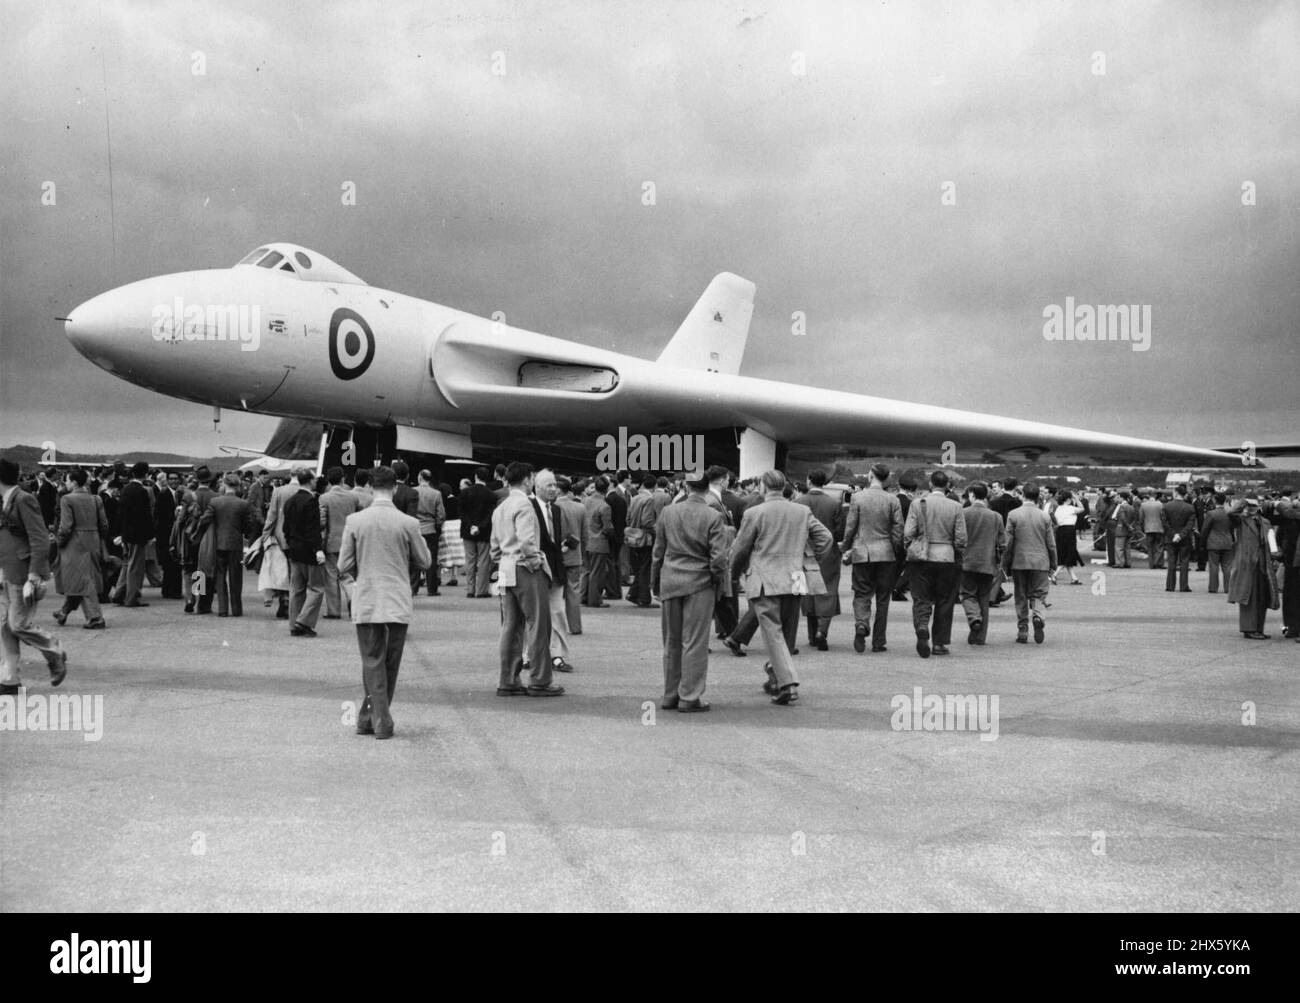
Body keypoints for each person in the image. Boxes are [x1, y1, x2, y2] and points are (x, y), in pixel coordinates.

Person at [338, 465, 432, 739]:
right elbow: (424, 561)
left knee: (371, 660)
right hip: (397, 599)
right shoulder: (408, 523)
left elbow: (344, 564)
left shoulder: (355, 521)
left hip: (366, 597)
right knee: (391, 661)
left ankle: (371, 718)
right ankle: (380, 719)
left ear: (369, 487)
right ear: (394, 488)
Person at [729, 470, 835, 705]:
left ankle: (787, 683)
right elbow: (826, 538)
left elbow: (740, 550)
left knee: (773, 633)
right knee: (787, 632)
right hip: (796, 575)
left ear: (764, 488)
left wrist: (734, 576)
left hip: (765, 577)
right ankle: (776, 675)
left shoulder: (754, 513)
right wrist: (810, 558)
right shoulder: (801, 511)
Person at [652, 469, 727, 711]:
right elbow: (718, 559)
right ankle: (689, 696)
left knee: (671, 641)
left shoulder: (668, 512)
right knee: (694, 642)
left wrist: (656, 582)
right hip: (700, 583)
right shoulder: (713, 516)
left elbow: (658, 552)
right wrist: (718, 582)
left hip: (671, 580)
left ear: (686, 488)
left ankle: (670, 694)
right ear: (706, 489)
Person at [491, 462, 563, 697]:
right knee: (538, 624)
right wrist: (535, 562)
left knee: (510, 626)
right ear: (526, 480)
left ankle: (508, 679)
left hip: (505, 568)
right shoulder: (524, 504)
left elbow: (494, 547)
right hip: (524, 567)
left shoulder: (501, 506)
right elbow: (527, 541)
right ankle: (540, 680)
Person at [0, 457, 67, 694]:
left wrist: (33, 576)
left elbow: (39, 538)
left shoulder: (23, 499)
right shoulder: (5, 500)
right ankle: (9, 679)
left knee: (17, 625)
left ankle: (54, 649)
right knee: (5, 627)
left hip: (22, 573)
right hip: (5, 573)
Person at [902, 470, 967, 658]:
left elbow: (908, 533)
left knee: (921, 597)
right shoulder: (956, 506)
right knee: (945, 601)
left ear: (930, 484)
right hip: (947, 557)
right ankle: (939, 643)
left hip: (922, 558)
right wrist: (957, 554)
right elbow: (961, 537)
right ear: (947, 486)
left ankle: (922, 625)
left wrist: (911, 548)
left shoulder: (917, 504)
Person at [841, 462, 903, 654]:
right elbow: (898, 529)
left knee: (861, 593)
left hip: (862, 552)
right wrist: (894, 549)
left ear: (870, 476)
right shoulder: (893, 500)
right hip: (886, 553)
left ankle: (861, 623)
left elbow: (850, 526)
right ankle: (879, 641)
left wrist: (846, 546)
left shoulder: (858, 498)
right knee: (883, 598)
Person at [531, 470, 576, 675]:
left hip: (556, 569)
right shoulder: (528, 507)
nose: (553, 489)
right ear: (537, 487)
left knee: (557, 612)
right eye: (548, 485)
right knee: (532, 614)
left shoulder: (556, 510)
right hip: (535, 569)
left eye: (554, 485)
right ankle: (528, 655)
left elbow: (557, 541)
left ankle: (557, 655)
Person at [52, 467, 109, 629]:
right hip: (93, 540)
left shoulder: (67, 499)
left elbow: (65, 527)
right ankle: (64, 611)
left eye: (68, 480)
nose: (66, 483)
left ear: (75, 482)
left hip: (74, 543)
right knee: (83, 578)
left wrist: (59, 542)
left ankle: (95, 617)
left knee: (80, 579)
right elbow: (104, 524)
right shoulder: (96, 499)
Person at [795, 469, 844, 651]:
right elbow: (839, 532)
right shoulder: (834, 503)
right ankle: (822, 632)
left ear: (808, 481)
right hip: (829, 553)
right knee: (828, 591)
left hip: (804, 552)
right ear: (825, 482)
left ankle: (812, 635)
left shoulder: (798, 502)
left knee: (807, 593)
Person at [1003, 483, 1057, 644]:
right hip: (1041, 561)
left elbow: (1008, 543)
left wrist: (1005, 563)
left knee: (1020, 596)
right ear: (1037, 497)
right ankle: (1038, 617)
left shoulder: (1013, 515)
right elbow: (1051, 544)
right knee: (1039, 594)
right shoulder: (1045, 516)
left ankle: (1023, 631)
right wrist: (1053, 563)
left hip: (1019, 561)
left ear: (1023, 495)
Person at [198, 473, 257, 617]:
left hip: (218, 543)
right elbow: (248, 526)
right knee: (236, 577)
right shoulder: (243, 504)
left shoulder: (215, 502)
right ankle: (236, 609)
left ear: (224, 484)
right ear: (238, 486)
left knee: (219, 577)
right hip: (235, 543)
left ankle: (222, 608)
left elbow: (204, 520)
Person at [959, 482, 1005, 645]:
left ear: (971, 495)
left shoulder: (962, 513)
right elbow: (1003, 543)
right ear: (985, 496)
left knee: (967, 594)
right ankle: (979, 637)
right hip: (987, 563)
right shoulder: (996, 517)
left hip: (967, 562)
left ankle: (973, 617)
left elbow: (958, 538)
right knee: (984, 599)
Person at [282, 469, 326, 636]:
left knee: (296, 589)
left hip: (294, 549)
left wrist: (291, 542)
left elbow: (285, 528)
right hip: (309, 551)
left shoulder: (290, 500)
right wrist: (318, 549)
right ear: (310, 481)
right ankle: (304, 621)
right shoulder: (311, 501)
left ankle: (294, 624)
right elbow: (312, 529)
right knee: (317, 588)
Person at [1227, 498, 1278, 639]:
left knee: (1262, 598)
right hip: (1247, 564)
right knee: (1247, 597)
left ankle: (1258, 628)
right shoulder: (1242, 520)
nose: (1252, 508)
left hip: (1263, 564)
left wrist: (1275, 557)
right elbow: (1231, 513)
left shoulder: (1266, 522)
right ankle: (1248, 629)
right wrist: (1243, 502)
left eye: (1254, 505)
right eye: (1249, 506)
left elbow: (1272, 542)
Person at [111, 461, 154, 607]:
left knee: (126, 564)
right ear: (146, 474)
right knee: (136, 567)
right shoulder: (142, 491)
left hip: (126, 534)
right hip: (138, 534)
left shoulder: (126, 489)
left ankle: (119, 593)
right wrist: (150, 535)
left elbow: (120, 513)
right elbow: (146, 516)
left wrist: (120, 533)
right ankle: (131, 597)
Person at [319, 466, 360, 619]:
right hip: (350, 542)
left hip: (331, 543)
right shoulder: (353, 498)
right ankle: (352, 600)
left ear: (329, 481)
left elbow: (322, 523)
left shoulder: (324, 498)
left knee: (331, 577)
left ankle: (333, 611)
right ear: (343, 479)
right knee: (348, 575)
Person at [458, 467, 497, 599]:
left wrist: (471, 526)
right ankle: (481, 590)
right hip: (484, 532)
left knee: (470, 561)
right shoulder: (492, 495)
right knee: (484, 561)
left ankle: (470, 589)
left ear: (475, 476)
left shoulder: (465, 493)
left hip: (467, 531)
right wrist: (480, 526)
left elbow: (462, 513)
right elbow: (490, 515)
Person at [554, 477, 587, 632]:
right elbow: (585, 534)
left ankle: (556, 626)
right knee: (573, 591)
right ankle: (575, 626)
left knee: (554, 592)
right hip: (575, 556)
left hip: (556, 556)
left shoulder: (553, 507)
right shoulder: (580, 507)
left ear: (559, 490)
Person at [581, 476, 614, 607]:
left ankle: (583, 596)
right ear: (606, 489)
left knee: (586, 571)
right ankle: (594, 600)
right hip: (599, 542)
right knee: (597, 572)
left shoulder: (585, 501)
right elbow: (607, 527)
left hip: (585, 540)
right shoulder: (605, 506)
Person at [415, 469, 446, 595]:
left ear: (420, 477)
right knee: (432, 559)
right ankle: (432, 589)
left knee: (415, 557)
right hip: (430, 529)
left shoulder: (413, 491)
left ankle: (414, 587)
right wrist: (437, 527)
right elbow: (441, 514)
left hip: (416, 528)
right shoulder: (436, 494)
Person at [1202, 493, 1234, 594]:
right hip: (1227, 541)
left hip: (1213, 542)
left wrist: (1203, 542)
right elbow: (1232, 528)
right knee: (1227, 566)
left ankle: (1213, 587)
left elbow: (1205, 529)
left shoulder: (1211, 513)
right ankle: (1228, 588)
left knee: (1214, 566)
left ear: (1215, 500)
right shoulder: (1229, 513)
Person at [1050, 489, 1084, 585]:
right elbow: (1082, 508)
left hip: (1060, 531)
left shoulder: (1058, 508)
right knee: (1069, 554)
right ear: (1069, 499)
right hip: (1070, 531)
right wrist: (1077, 499)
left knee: (1065, 553)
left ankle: (1074, 578)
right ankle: (1055, 574)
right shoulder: (1071, 508)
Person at [1139, 490, 1165, 569]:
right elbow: (1163, 517)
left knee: (1150, 547)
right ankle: (1158, 563)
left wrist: (1142, 526)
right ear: (1155, 495)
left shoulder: (1143, 505)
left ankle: (1151, 564)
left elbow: (1141, 518)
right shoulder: (1160, 504)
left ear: (1148, 495)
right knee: (1159, 547)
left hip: (1148, 528)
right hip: (1159, 528)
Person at [1111, 491, 1136, 569]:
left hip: (1121, 529)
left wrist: (1128, 526)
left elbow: (1122, 518)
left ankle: (1120, 563)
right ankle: (1128, 562)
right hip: (1129, 531)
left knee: (1119, 547)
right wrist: (1131, 526)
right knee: (1127, 547)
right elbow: (1135, 518)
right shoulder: (1131, 506)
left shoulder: (1122, 506)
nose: (1118, 499)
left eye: (1118, 497)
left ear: (1122, 497)